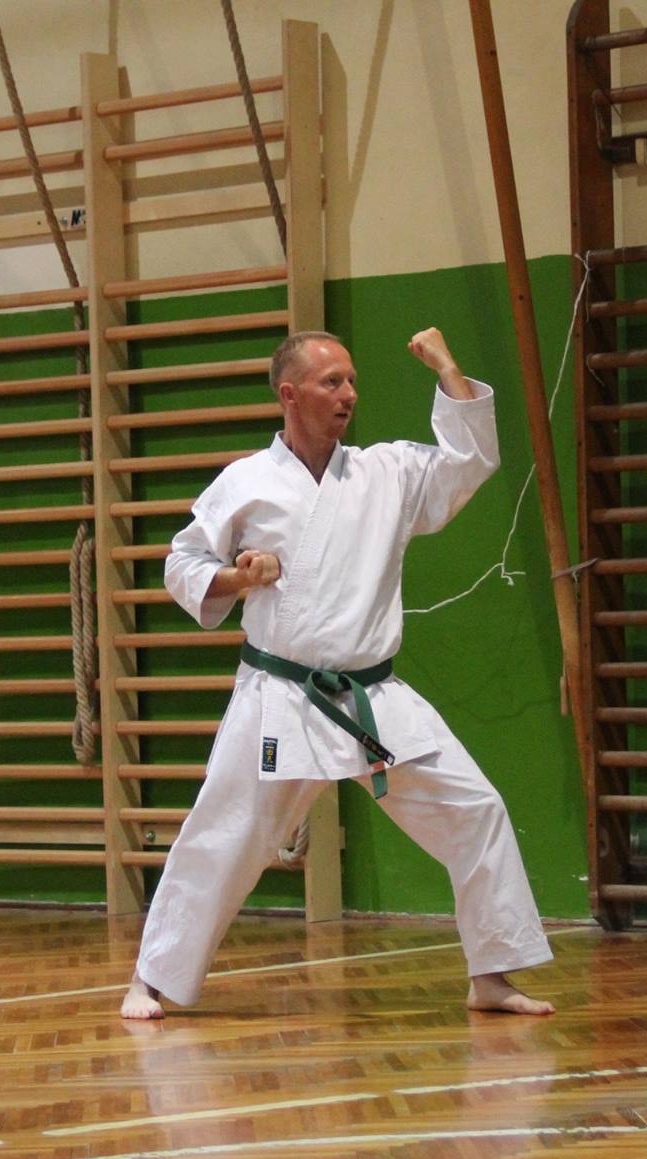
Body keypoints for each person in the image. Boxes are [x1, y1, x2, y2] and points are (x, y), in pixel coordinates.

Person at [120, 327, 556, 1021]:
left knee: (475, 810)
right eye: (332, 382)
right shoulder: (247, 482)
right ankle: (152, 978)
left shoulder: (388, 472)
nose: (349, 393)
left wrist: (448, 368)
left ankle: (492, 975)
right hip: (280, 697)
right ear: (289, 394)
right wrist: (238, 577)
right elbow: (184, 563)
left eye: (352, 381)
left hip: (371, 696)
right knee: (226, 833)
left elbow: (469, 460)